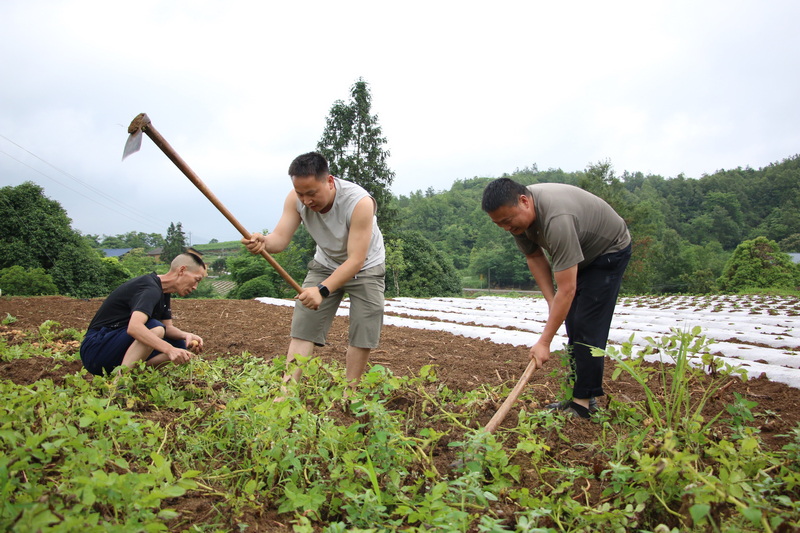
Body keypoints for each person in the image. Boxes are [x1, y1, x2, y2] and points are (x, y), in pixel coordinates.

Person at [482, 178, 631, 419]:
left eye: (507, 221)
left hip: (608, 251)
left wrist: (544, 342)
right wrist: (552, 301)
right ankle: (579, 395)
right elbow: (534, 257)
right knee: (572, 321)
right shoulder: (518, 222)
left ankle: (583, 405)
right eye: (499, 224)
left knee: (586, 324)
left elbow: (568, 289)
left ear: (524, 201)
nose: (506, 228)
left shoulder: (557, 220)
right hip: (580, 252)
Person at [242, 152, 386, 394]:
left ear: (329, 181)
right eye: (300, 194)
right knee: (304, 323)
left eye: (311, 193)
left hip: (366, 267)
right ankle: (286, 393)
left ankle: (350, 392)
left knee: (363, 328)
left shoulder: (359, 202)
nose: (306, 200)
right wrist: (263, 241)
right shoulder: (295, 199)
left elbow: (356, 260)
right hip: (326, 262)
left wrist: (322, 290)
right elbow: (279, 239)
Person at [80, 251, 207, 376]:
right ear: (182, 271)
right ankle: (120, 382)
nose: (195, 286)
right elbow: (134, 327)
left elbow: (167, 328)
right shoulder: (150, 288)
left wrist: (186, 336)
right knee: (155, 328)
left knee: (179, 344)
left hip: (113, 348)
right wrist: (169, 350)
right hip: (96, 349)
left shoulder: (164, 291)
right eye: (196, 280)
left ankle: (135, 375)